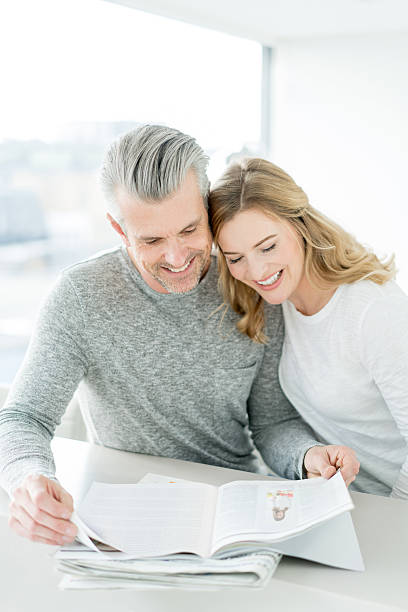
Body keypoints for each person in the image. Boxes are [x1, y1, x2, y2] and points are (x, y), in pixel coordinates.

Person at [0, 126, 359, 547]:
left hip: (233, 510)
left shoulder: (250, 280)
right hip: (127, 515)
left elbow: (272, 421)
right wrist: (29, 478)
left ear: (208, 208)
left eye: (190, 230)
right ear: (118, 229)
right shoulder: (80, 297)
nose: (176, 258)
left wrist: (306, 456)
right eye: (151, 239)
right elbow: (24, 417)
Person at [209, 157, 408, 499]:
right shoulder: (275, 304)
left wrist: (390, 524)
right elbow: (275, 422)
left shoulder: (372, 310)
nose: (256, 271)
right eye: (235, 258)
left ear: (300, 224)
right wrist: (308, 457)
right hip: (346, 503)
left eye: (267, 247)